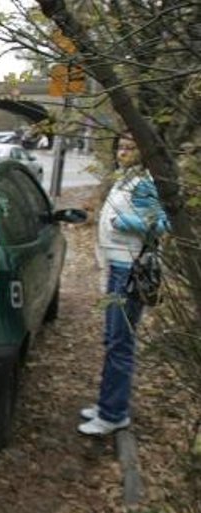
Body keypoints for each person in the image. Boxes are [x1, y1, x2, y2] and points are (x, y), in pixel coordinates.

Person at [78, 133, 169, 436]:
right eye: (121, 146)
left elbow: (163, 224)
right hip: (118, 267)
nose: (124, 152)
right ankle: (108, 405)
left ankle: (113, 413)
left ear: (142, 153)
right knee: (113, 338)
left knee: (120, 342)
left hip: (130, 271)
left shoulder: (143, 182)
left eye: (131, 147)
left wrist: (125, 224)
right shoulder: (124, 179)